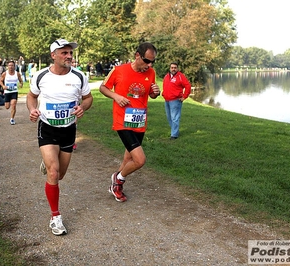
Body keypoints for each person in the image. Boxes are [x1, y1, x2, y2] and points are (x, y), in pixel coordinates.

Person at [26, 38, 93, 236]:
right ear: (53, 55)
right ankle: (55, 217)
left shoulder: (79, 76)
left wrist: (83, 107)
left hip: (68, 129)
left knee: (60, 174)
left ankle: (48, 163)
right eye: (64, 53)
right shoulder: (41, 76)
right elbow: (31, 96)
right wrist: (32, 109)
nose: (69, 56)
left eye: (70, 53)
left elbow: (88, 98)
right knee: (53, 173)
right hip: (47, 128)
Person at [99, 42, 160, 202]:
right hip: (122, 121)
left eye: (152, 61)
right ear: (137, 56)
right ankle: (118, 178)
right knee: (140, 160)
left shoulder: (151, 73)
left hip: (139, 121)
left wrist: (155, 93)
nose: (149, 65)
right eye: (146, 61)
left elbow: (151, 95)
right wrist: (116, 97)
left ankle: (116, 185)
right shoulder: (119, 70)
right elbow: (103, 88)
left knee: (128, 159)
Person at [162, 62, 191, 139]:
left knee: (174, 118)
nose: (173, 69)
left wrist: (184, 96)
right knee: (169, 117)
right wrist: (163, 94)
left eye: (175, 67)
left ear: (177, 68)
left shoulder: (180, 76)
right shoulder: (166, 76)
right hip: (167, 100)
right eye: (172, 67)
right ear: (170, 68)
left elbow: (188, 86)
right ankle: (174, 131)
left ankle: (174, 135)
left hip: (175, 100)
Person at [0, 60, 24, 125]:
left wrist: (21, 84)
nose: (11, 67)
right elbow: (0, 81)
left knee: (13, 104)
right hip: (7, 92)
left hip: (14, 91)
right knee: (7, 107)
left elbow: (21, 81)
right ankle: (6, 102)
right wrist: (3, 86)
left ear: (14, 66)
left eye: (12, 65)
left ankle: (12, 119)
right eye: (9, 65)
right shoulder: (5, 73)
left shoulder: (17, 73)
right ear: (7, 66)